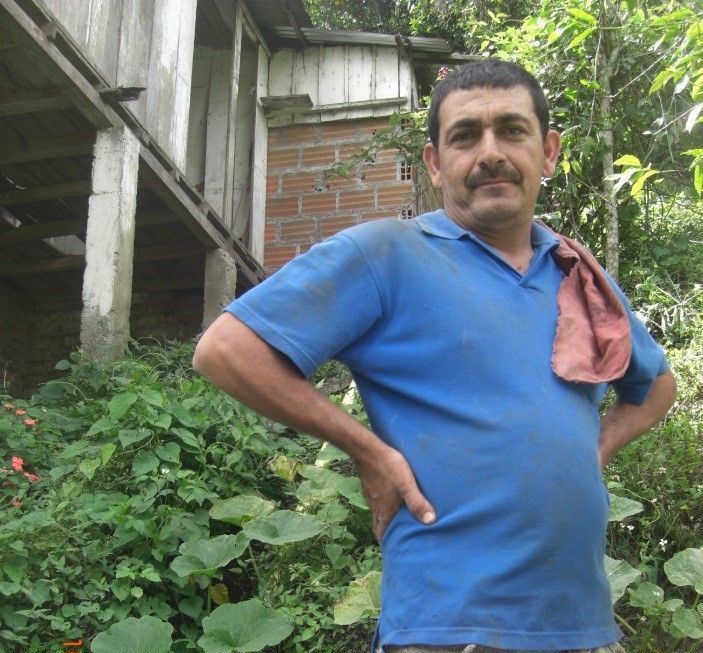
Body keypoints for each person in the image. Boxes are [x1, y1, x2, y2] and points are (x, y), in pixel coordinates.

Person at [193, 59, 677, 653]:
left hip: (583, 629)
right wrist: (368, 451)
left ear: (549, 152)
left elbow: (656, 384)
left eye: (512, 130)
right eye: (465, 136)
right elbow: (226, 350)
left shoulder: (576, 272)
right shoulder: (386, 255)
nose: (490, 153)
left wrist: (594, 448)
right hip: (445, 629)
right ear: (435, 162)